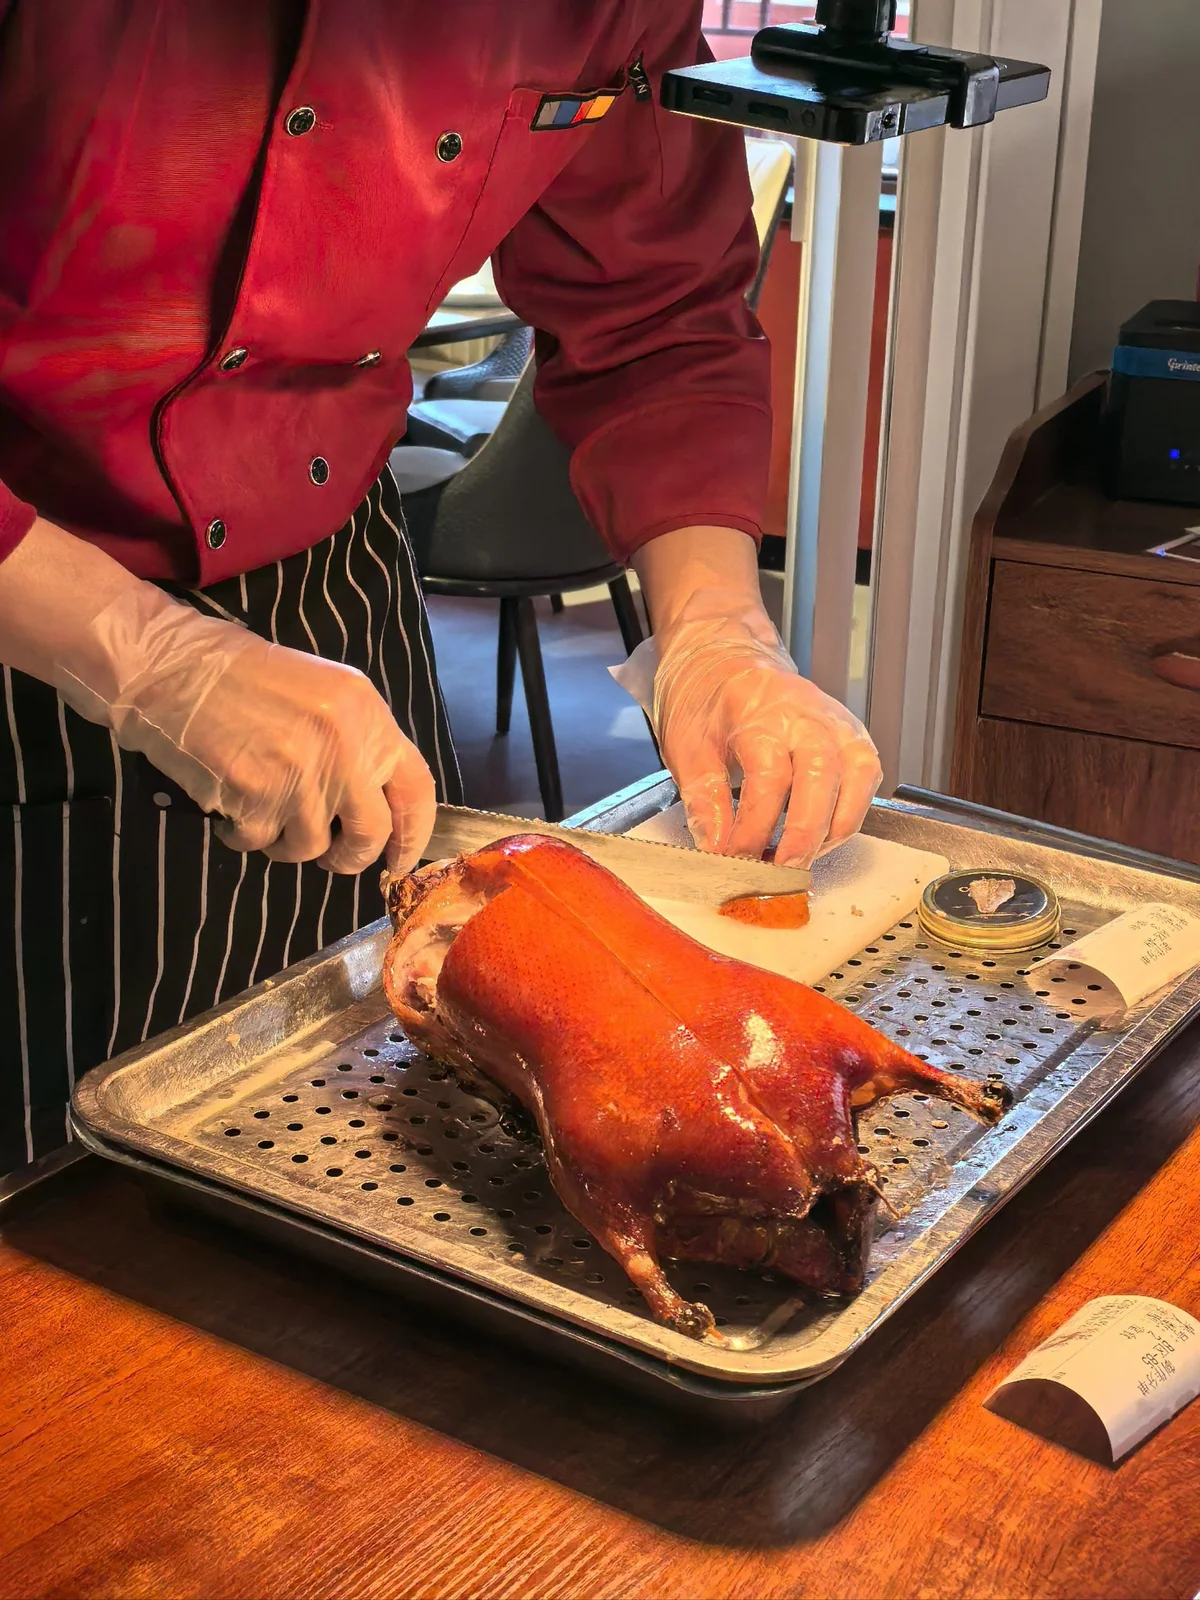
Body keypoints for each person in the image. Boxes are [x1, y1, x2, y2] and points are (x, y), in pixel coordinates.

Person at [0, 0, 882, 1176]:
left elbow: (658, 312)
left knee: (357, 1112)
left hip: (329, 595)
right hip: (27, 585)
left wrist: (720, 628)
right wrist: (143, 652)